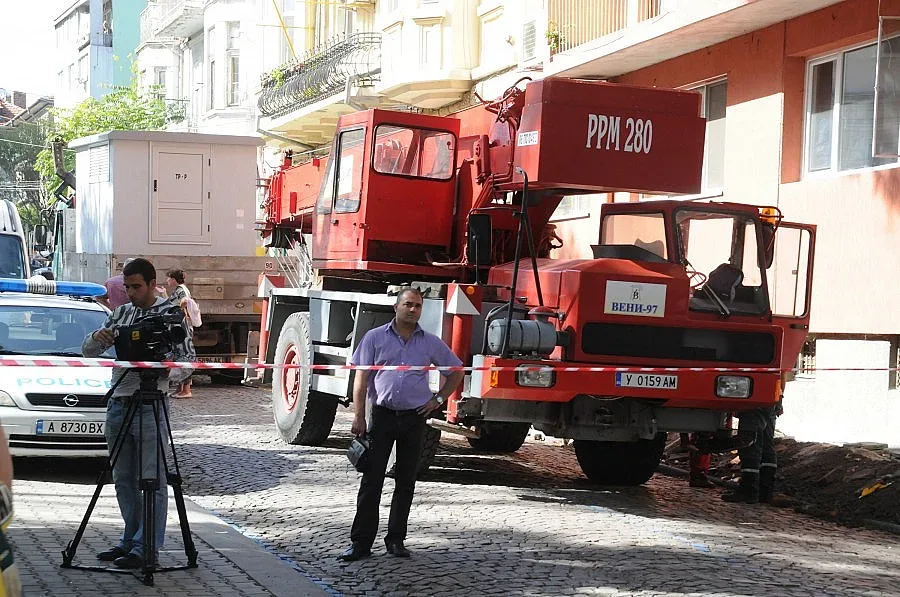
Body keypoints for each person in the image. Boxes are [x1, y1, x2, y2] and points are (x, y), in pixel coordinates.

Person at [82, 258, 195, 569]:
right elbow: (87, 350)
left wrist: (161, 374)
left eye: (136, 287)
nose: (130, 293)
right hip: (119, 401)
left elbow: (188, 361)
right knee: (123, 478)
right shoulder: (120, 313)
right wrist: (98, 338)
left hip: (151, 403)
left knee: (152, 479)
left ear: (150, 283)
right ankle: (129, 539)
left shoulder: (170, 314)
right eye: (127, 287)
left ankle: (147, 547)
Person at [338, 287, 464, 562]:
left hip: (413, 419)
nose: (413, 310)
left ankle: (396, 540)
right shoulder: (374, 338)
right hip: (381, 417)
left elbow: (456, 371)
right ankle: (360, 543)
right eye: (408, 304)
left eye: (417, 306)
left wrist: (439, 399)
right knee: (372, 481)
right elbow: (360, 380)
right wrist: (358, 416)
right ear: (396, 307)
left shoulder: (429, 342)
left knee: (406, 482)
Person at [721, 397, 781, 504]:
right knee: (767, 447)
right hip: (771, 401)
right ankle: (765, 493)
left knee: (750, 448)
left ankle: (748, 491)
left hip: (754, 402)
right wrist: (779, 401)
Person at [165, 269, 195, 398]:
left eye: (168, 278)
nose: (167, 280)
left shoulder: (180, 289)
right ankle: (180, 388)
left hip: (182, 328)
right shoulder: (179, 289)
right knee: (179, 356)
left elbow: (184, 300)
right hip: (180, 327)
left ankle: (186, 390)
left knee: (184, 355)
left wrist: (180, 311)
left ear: (173, 279)